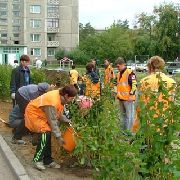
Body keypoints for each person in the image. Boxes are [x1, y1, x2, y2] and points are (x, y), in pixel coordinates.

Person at [25, 85, 77, 170]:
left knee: (47, 134)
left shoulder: (60, 98)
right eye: (71, 98)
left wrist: (68, 121)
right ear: (67, 96)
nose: (72, 101)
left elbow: (58, 114)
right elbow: (53, 121)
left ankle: (47, 160)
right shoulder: (52, 102)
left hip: (41, 115)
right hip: (33, 114)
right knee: (45, 132)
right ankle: (37, 160)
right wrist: (59, 137)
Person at [139, 56, 176, 121]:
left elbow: (141, 104)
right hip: (166, 120)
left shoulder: (144, 81)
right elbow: (173, 102)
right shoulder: (172, 82)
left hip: (150, 121)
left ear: (150, 67)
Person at [115, 57, 137, 131]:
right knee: (123, 116)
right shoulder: (118, 74)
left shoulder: (130, 72)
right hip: (121, 98)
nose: (117, 68)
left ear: (123, 64)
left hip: (128, 99)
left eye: (118, 66)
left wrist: (131, 95)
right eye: (117, 66)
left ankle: (129, 132)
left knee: (129, 116)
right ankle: (123, 131)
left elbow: (134, 84)